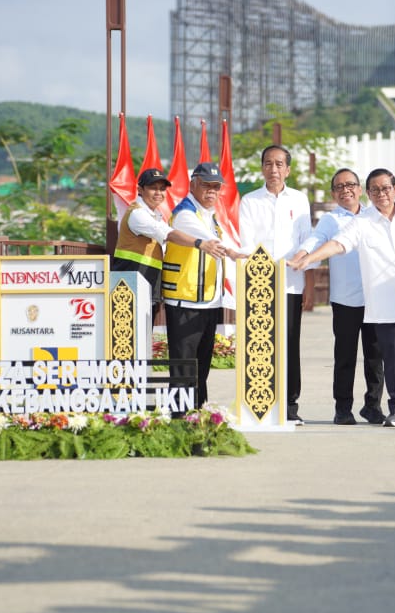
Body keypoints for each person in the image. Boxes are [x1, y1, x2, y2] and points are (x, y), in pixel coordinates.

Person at [289, 167, 395, 428]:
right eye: (375, 190)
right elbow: (337, 244)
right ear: (370, 193)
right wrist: (309, 258)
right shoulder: (361, 223)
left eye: (385, 188)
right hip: (385, 304)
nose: (381, 194)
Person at [292, 168, 384, 425]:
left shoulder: (374, 215)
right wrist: (301, 255)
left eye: (351, 185)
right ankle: (343, 408)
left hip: (375, 297)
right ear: (333, 193)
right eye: (340, 186)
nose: (346, 190)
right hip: (345, 300)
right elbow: (315, 241)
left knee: (375, 356)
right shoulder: (330, 221)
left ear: (360, 189)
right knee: (345, 357)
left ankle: (373, 405)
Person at [238, 144, 313, 424]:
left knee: (290, 344)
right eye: (268, 163)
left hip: (291, 282)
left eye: (279, 164)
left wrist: (307, 276)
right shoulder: (249, 201)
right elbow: (246, 243)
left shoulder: (299, 200)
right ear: (262, 168)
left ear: (288, 169)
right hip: (259, 284)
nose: (274, 169)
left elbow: (308, 240)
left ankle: (290, 405)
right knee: (260, 343)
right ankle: (261, 402)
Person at [162, 162, 244, 409]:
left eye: (216, 187)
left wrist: (239, 254)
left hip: (208, 301)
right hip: (185, 300)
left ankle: (199, 413)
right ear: (193, 185)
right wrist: (231, 250)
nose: (212, 191)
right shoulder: (185, 213)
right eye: (206, 185)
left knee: (202, 364)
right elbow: (210, 240)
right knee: (184, 365)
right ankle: (179, 417)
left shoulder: (211, 217)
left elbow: (221, 241)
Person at [112, 168, 225, 316]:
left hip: (145, 285)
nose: (158, 193)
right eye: (153, 188)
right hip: (128, 286)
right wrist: (200, 243)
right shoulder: (137, 214)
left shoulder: (155, 214)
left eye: (162, 188)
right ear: (140, 189)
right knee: (129, 337)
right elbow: (169, 234)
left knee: (143, 337)